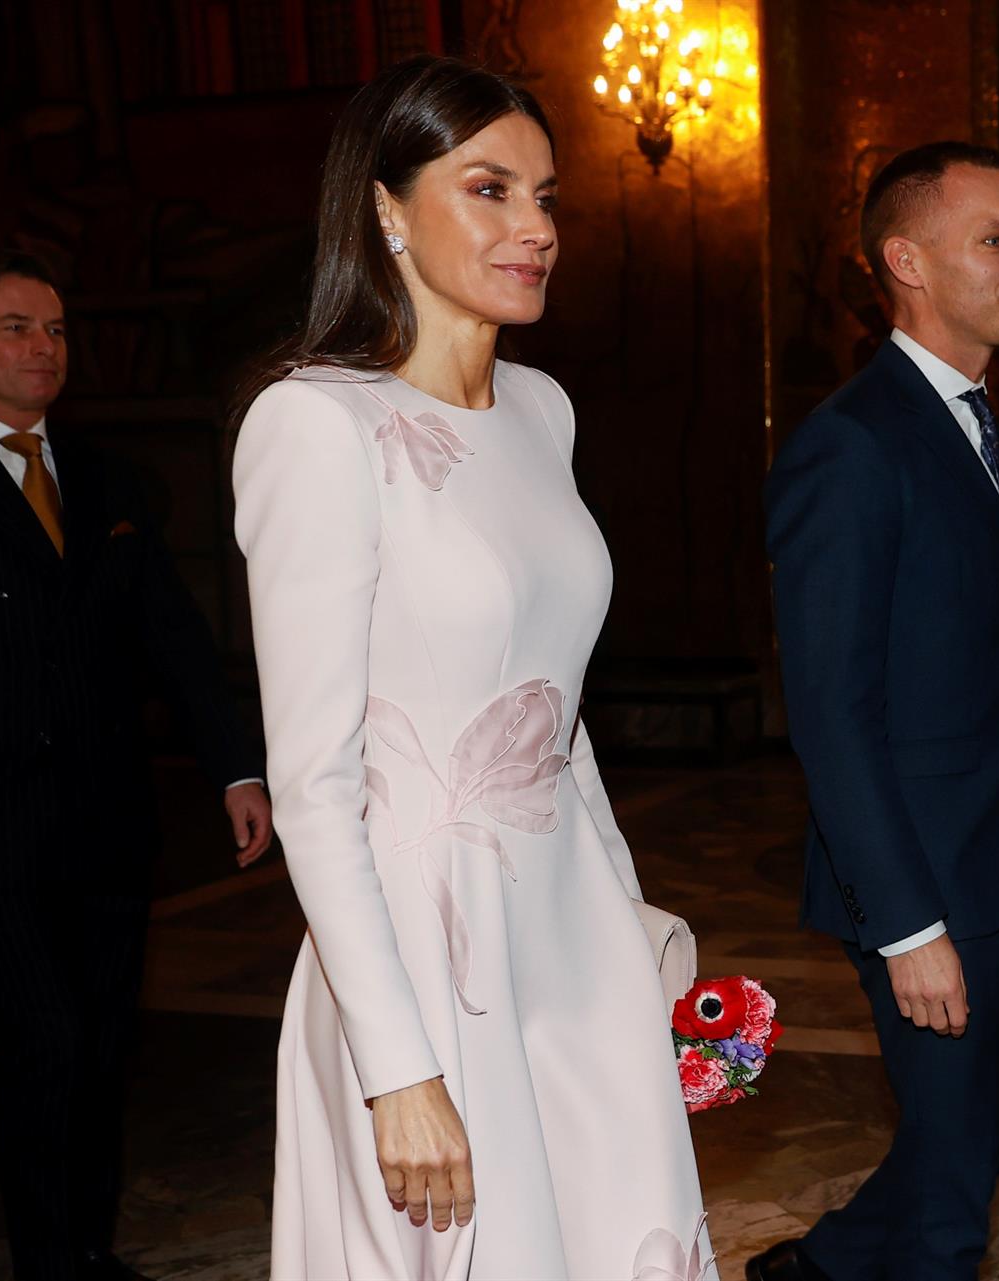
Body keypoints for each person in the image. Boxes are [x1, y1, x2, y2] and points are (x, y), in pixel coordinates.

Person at [231, 57, 706, 1277]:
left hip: (569, 931)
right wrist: (396, 1068)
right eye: (489, 189)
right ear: (385, 208)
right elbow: (315, 784)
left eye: (547, 198)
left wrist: (631, 922)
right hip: (418, 949)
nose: (535, 228)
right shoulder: (315, 424)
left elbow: (560, 718)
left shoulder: (544, 409)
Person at [757, 142, 999, 1281]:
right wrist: (904, 926)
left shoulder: (980, 425)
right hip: (924, 880)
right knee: (951, 1213)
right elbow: (831, 712)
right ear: (907, 260)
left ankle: (830, 1264)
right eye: (998, 239)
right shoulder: (851, 445)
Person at [0, 249, 272, 1281]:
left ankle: (89, 1250)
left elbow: (175, 638)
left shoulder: (110, 479)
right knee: (45, 1042)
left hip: (107, 823)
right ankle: (51, 1263)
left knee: (101, 1046)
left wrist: (235, 768)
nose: (44, 347)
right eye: (17, 327)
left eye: (56, 329)